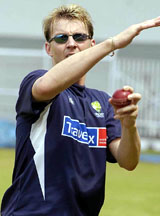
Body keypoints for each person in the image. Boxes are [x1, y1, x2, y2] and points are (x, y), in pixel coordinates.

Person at [1, 4, 160, 216]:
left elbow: (128, 161)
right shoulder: (36, 82)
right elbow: (47, 86)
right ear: (48, 48)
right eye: (61, 38)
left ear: (91, 44)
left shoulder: (103, 102)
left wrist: (129, 124)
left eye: (79, 37)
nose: (71, 44)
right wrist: (112, 44)